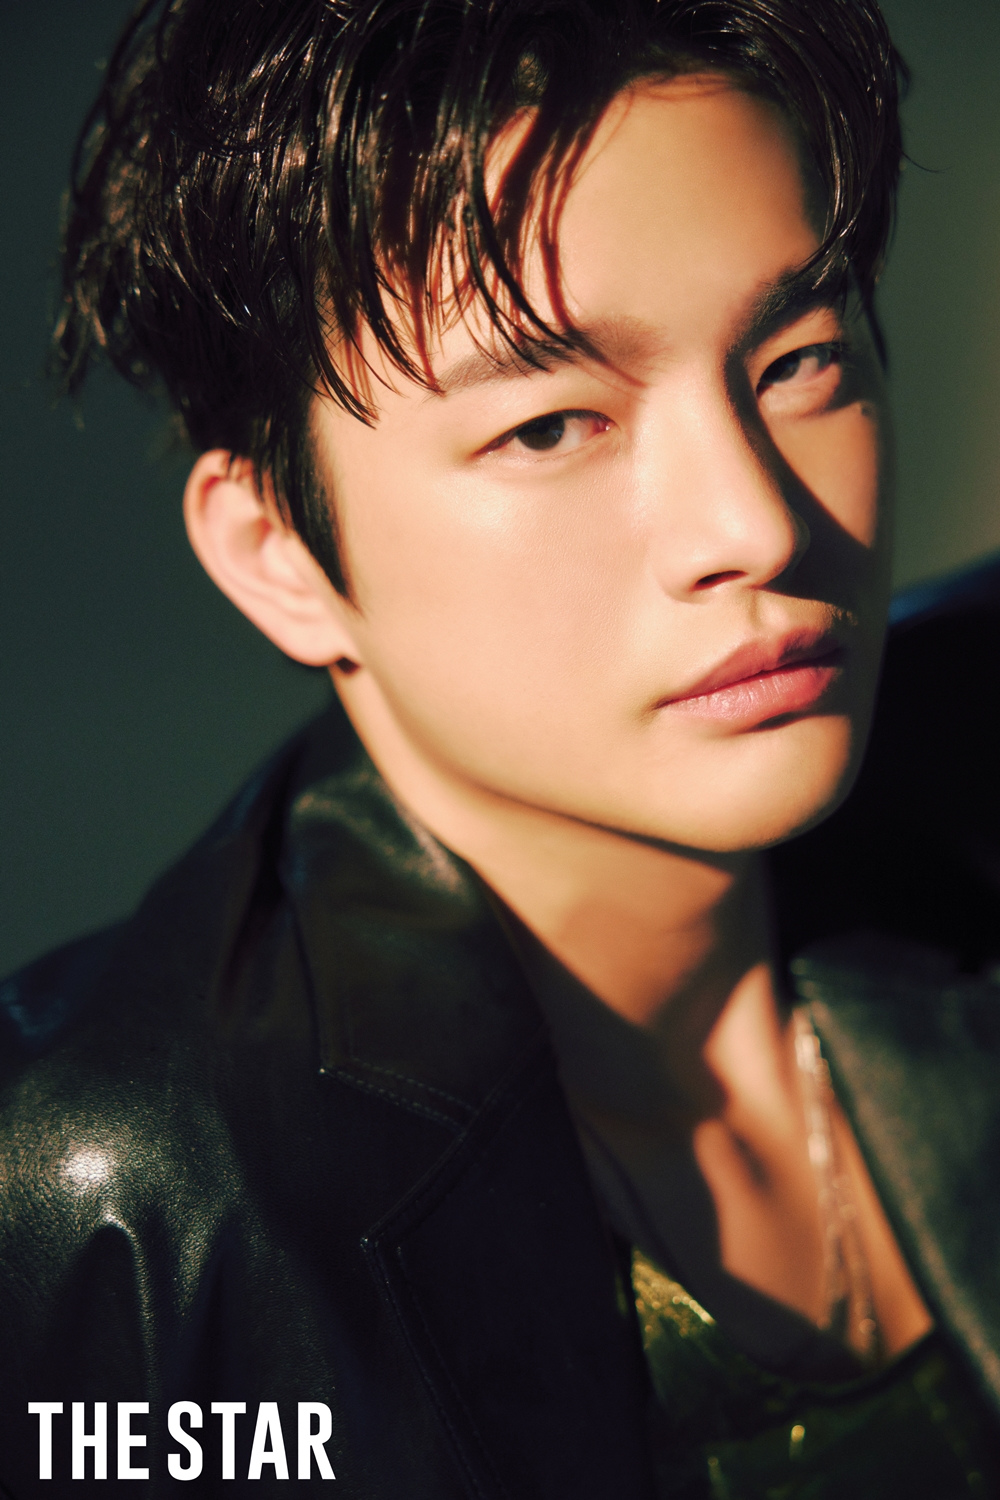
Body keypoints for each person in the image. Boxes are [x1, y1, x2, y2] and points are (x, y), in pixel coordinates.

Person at [2, 0, 1000, 1493]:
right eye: (548, 428)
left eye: (798, 358)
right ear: (278, 553)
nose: (753, 525)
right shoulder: (129, 1206)